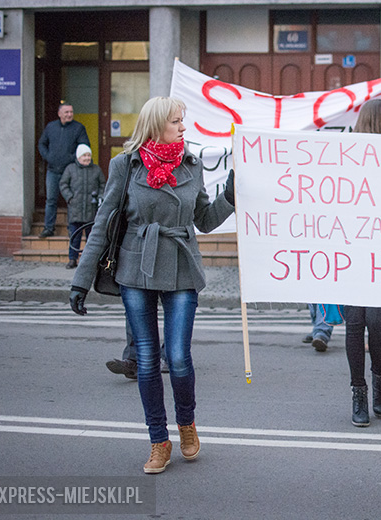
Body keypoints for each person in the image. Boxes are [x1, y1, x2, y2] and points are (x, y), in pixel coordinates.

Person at [69, 96, 235, 474]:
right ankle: (158, 440)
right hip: (135, 268)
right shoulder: (124, 166)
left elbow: (205, 220)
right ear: (157, 124)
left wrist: (230, 195)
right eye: (176, 121)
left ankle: (187, 422)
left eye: (183, 121)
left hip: (180, 266)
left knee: (177, 356)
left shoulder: (191, 163)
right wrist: (81, 279)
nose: (183, 127)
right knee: (146, 359)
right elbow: (103, 223)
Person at [343, 98, 381, 427]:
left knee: (377, 321)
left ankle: (379, 378)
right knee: (353, 324)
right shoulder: (347, 154)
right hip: (351, 250)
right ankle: (358, 390)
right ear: (372, 120)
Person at [38, 103, 90, 238]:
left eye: (71, 112)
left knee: (71, 200)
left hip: (71, 170)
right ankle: (48, 228)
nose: (69, 114)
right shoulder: (51, 127)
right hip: (52, 170)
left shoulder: (78, 128)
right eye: (66, 112)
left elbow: (84, 146)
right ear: (59, 114)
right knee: (51, 200)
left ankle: (71, 229)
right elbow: (42, 143)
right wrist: (48, 156)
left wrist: (72, 159)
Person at [59, 144, 105, 269]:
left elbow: (103, 184)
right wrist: (70, 198)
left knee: (92, 238)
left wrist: (100, 196)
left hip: (92, 210)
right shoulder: (70, 169)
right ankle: (72, 259)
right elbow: (63, 184)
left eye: (89, 155)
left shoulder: (96, 170)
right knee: (75, 237)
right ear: (78, 157)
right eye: (84, 155)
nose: (87, 158)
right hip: (76, 210)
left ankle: (91, 261)